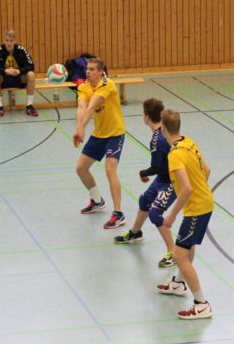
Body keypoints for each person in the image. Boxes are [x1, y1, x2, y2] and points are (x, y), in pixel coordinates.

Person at [156, 109, 214, 319]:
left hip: (197, 209)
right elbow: (207, 170)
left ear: (163, 128)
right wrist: (200, 193)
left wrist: (171, 215)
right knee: (186, 247)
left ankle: (201, 304)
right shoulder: (188, 141)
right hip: (202, 204)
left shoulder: (175, 155)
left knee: (180, 255)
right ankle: (179, 284)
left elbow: (187, 189)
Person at [114, 98, 177, 267]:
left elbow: (156, 167)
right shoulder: (162, 133)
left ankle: (173, 251)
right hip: (163, 177)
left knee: (155, 214)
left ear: (146, 116)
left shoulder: (158, 139)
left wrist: (143, 173)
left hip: (172, 182)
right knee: (145, 200)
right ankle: (135, 233)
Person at [73, 58, 126, 229]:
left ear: (100, 72)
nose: (87, 72)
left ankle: (118, 214)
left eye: (92, 69)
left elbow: (92, 106)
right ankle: (97, 200)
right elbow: (82, 107)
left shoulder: (107, 84)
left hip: (115, 134)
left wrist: (82, 127)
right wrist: (77, 127)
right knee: (81, 168)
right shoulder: (83, 87)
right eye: (87, 69)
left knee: (110, 170)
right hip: (99, 135)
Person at [0, 30, 38, 118]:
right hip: (4, 79)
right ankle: (0, 108)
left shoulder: (21, 50)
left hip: (18, 78)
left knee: (31, 74)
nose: (9, 43)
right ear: (4, 41)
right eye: (7, 40)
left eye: (11, 41)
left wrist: (19, 71)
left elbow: (31, 66)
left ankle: (29, 106)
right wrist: (5, 71)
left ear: (14, 41)